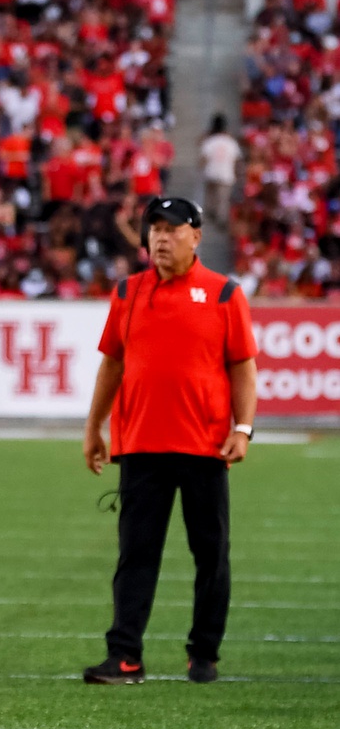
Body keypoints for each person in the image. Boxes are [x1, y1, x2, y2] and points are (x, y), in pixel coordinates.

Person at [82, 197, 257, 686]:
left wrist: (242, 429)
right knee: (135, 555)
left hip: (205, 447)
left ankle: (204, 654)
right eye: (154, 228)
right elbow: (112, 364)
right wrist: (94, 426)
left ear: (196, 236)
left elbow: (243, 368)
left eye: (172, 229)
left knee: (211, 555)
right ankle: (125, 657)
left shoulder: (225, 294)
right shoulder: (127, 291)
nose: (160, 237)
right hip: (140, 446)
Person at [199, 114, 241, 227]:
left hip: (211, 173)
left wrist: (202, 169)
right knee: (223, 200)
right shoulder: (231, 142)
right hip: (226, 174)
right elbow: (237, 159)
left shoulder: (210, 141)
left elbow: (203, 158)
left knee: (211, 197)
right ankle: (221, 219)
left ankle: (210, 215)